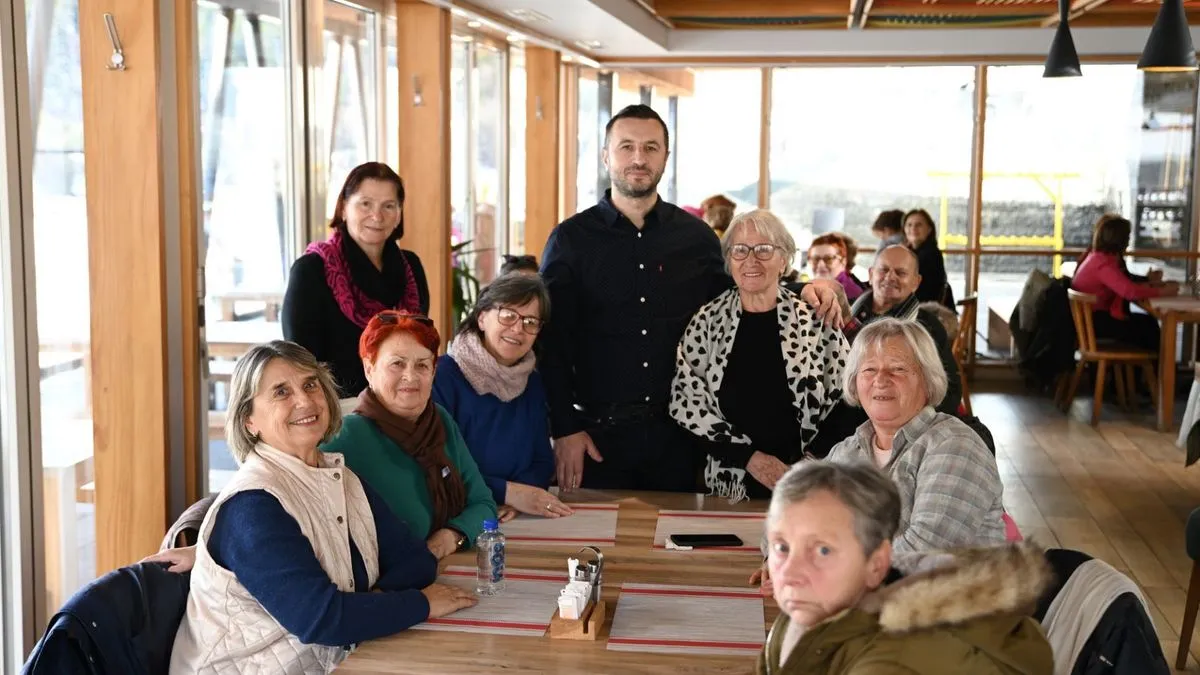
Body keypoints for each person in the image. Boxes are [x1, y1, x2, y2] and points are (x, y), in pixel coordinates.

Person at [539, 104, 843, 493]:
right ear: (605, 156)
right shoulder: (570, 240)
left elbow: (739, 290)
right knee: (596, 533)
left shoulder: (696, 238)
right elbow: (551, 341)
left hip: (679, 440)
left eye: (650, 148)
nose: (638, 158)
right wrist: (564, 428)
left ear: (665, 157)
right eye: (626, 146)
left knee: (682, 533)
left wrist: (802, 290)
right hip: (596, 437)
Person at [169, 341, 476, 674]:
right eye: (281, 392)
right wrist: (420, 603)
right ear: (248, 421)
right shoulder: (253, 506)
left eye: (310, 385)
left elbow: (416, 560)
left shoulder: (341, 478)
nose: (304, 401)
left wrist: (367, 606)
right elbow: (322, 619)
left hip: (339, 660)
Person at [757, 460, 1053, 675]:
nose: (790, 573)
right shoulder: (812, 612)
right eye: (782, 547)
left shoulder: (892, 663)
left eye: (823, 551)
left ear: (876, 564)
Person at [670, 210, 849, 501]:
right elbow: (686, 403)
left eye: (764, 249)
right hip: (731, 487)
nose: (751, 260)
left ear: (784, 260)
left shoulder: (816, 320)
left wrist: (809, 462)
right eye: (740, 250)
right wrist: (749, 458)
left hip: (809, 483)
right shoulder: (707, 322)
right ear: (729, 260)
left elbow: (849, 397)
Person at [827, 318, 1006, 573]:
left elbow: (923, 554)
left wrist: (826, 568)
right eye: (869, 369)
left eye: (898, 369)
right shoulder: (845, 452)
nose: (880, 379)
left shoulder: (955, 445)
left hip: (954, 595)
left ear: (928, 381)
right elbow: (797, 521)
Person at [322, 311, 498, 560]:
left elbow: (484, 505)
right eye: (397, 363)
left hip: (446, 565)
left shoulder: (440, 421)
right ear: (369, 369)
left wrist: (448, 538)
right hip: (390, 581)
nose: (411, 376)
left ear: (433, 372)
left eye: (422, 365)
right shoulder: (343, 438)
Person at [283, 162, 430, 397]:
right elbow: (299, 361)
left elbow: (422, 343)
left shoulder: (411, 267)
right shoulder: (311, 270)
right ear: (343, 208)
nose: (377, 216)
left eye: (388, 206)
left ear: (398, 215)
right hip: (338, 408)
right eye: (365, 204)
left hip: (404, 401)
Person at [433, 274, 571, 522]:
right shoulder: (441, 377)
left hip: (515, 515)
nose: (518, 329)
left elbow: (542, 461)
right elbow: (438, 466)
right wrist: (509, 493)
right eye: (508, 315)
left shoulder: (533, 382)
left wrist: (521, 497)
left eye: (530, 321)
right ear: (482, 317)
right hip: (457, 514)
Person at [848, 245, 961, 414]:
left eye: (900, 273)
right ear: (871, 274)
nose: (890, 277)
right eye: (883, 270)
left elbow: (950, 390)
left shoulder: (927, 326)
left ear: (916, 282)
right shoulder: (845, 314)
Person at [1071, 214, 1178, 353]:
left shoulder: (1096, 257)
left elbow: (1123, 282)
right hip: (1095, 324)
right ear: (1119, 240)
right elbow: (1129, 291)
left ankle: (1152, 366)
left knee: (1148, 324)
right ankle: (1158, 366)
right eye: (1127, 237)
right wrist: (1162, 292)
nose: (1128, 241)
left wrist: (1148, 280)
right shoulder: (1103, 264)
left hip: (1090, 322)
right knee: (1149, 327)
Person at [903, 208, 950, 306]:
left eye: (918, 225)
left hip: (925, 309)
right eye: (909, 225)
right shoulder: (911, 252)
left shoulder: (931, 254)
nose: (913, 228)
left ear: (929, 229)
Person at [808, 233, 865, 301]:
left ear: (844, 261)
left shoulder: (851, 294)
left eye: (829, 258)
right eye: (815, 259)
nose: (820, 265)